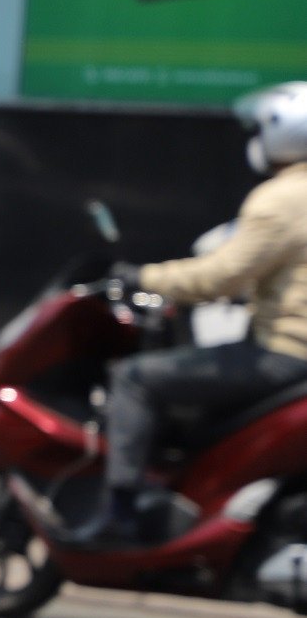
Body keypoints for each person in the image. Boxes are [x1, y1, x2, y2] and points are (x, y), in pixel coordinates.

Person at [87, 81, 307, 546]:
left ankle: (120, 512)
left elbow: (218, 277)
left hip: (283, 357)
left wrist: (143, 277)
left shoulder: (281, 199)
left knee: (134, 377)